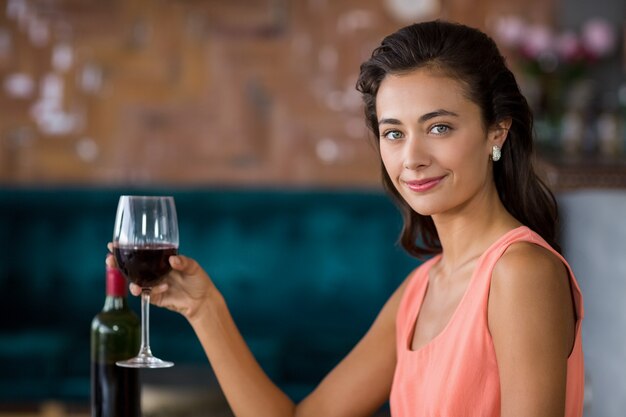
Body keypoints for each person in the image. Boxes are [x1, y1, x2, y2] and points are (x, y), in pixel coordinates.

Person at [107, 20, 584, 417]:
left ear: (495, 132)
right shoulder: (420, 290)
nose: (412, 158)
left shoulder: (521, 272)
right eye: (393, 133)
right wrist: (203, 308)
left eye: (439, 127)